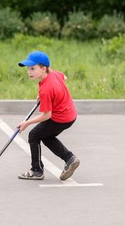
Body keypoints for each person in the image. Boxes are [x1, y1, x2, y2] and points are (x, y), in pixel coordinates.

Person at [16, 50, 80, 180]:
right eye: (28, 69)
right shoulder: (53, 74)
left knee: (34, 135)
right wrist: (49, 96)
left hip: (60, 118)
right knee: (46, 136)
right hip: (70, 114)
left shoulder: (46, 89)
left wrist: (26, 123)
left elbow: (46, 115)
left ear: (43, 68)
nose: (29, 72)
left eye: (33, 68)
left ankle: (36, 170)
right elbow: (64, 77)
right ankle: (70, 159)